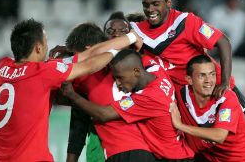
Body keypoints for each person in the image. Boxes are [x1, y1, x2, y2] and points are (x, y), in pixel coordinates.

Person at [0, 19, 142, 161]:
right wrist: (123, 48)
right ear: (38, 48)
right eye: (46, 42)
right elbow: (89, 63)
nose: (47, 47)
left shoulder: (4, 66)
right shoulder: (43, 72)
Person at [129, 0, 245, 123]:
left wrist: (224, 83)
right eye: (145, 5)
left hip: (215, 89)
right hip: (187, 100)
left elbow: (223, 42)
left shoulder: (186, 21)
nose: (150, 10)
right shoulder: (138, 31)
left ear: (168, 3)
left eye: (155, 4)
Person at [62, 49, 195, 161]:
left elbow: (104, 115)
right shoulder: (157, 70)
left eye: (120, 77)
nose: (118, 84)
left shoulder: (148, 98)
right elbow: (135, 54)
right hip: (178, 152)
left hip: (173, 158)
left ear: (136, 71)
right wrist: (76, 53)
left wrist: (72, 95)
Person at [62, 23, 156, 162]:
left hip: (128, 153)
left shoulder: (87, 75)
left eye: (75, 55)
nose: (74, 60)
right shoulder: (129, 67)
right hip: (138, 150)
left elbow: (99, 115)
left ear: (88, 51)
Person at [169, 55, 245, 161]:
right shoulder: (182, 93)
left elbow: (219, 136)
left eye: (212, 75)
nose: (208, 81)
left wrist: (180, 126)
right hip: (207, 157)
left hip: (239, 159)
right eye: (202, 76)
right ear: (189, 79)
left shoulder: (226, 98)